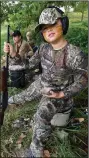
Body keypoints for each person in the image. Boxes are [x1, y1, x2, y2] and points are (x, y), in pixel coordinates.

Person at [4, 6, 88, 157]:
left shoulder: (75, 54)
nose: (48, 29)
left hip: (59, 95)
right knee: (22, 96)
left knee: (40, 115)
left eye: (53, 24)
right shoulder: (43, 48)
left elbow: (83, 81)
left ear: (64, 23)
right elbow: (28, 65)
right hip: (42, 84)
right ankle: (6, 101)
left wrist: (62, 93)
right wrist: (14, 54)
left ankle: (35, 150)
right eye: (44, 27)